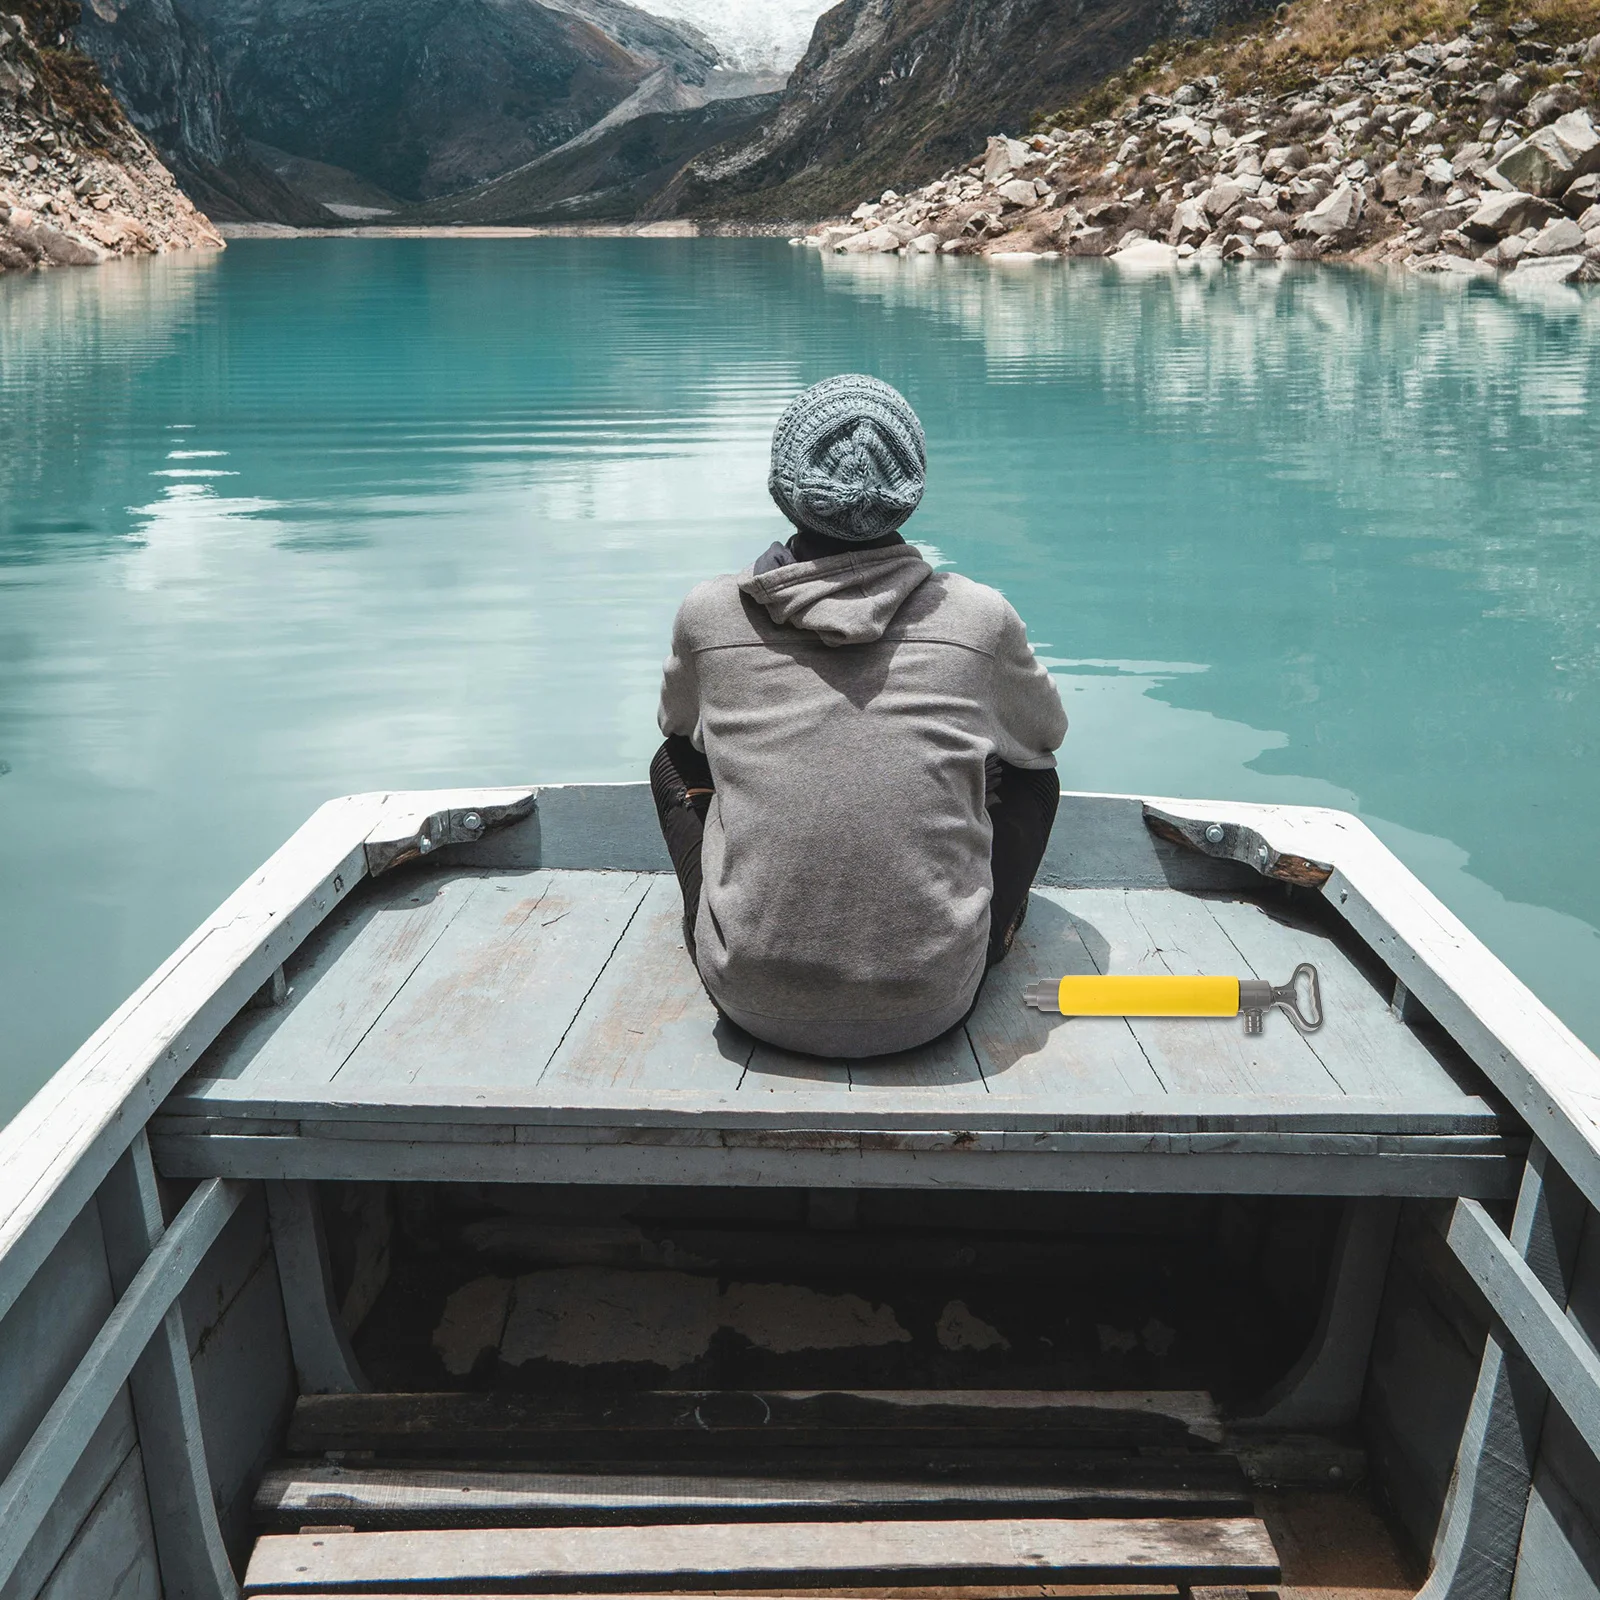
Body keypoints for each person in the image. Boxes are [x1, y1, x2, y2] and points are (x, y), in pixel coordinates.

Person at [651, 373, 1066, 1058]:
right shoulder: (979, 618)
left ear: (784, 489)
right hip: (930, 1007)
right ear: (911, 489)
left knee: (675, 759)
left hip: (751, 1001)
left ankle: (740, 930)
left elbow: (677, 726)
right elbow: (1045, 739)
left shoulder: (711, 614)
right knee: (1029, 771)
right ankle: (988, 930)